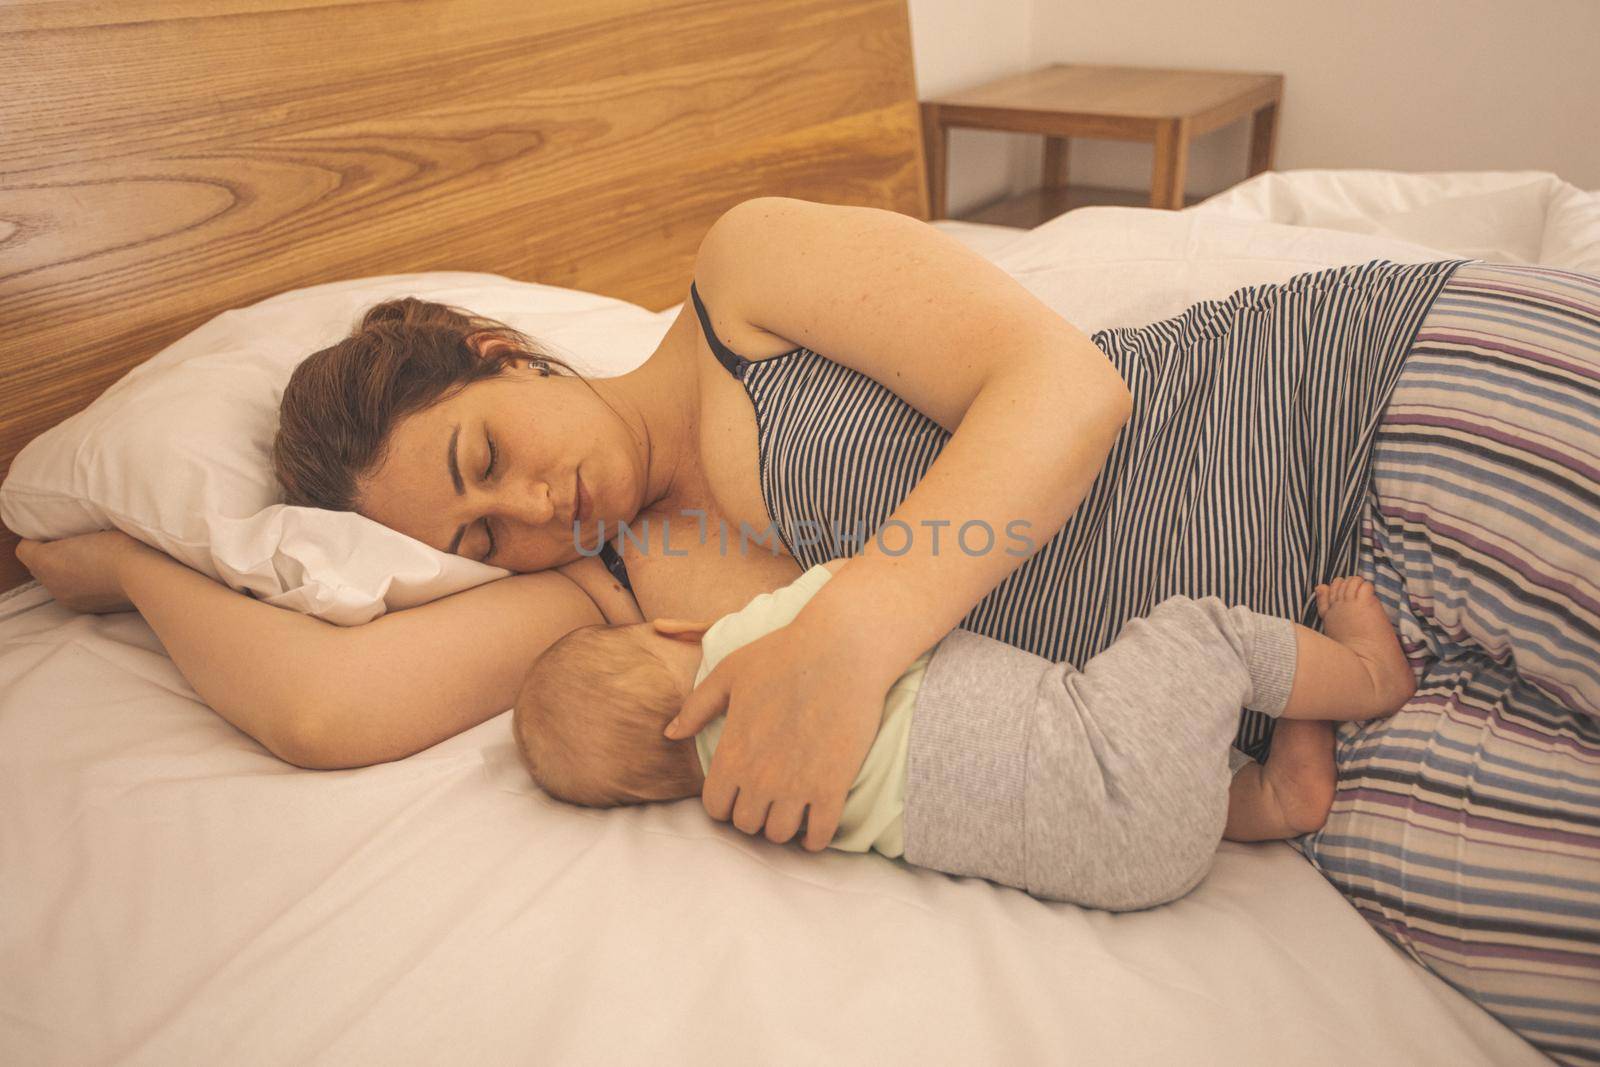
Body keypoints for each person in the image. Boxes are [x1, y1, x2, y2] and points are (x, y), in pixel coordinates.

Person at [16, 198, 1600, 1060]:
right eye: (477, 537)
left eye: (489, 455)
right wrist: (134, 570)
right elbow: (324, 711)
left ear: (508, 352)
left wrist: (849, 636)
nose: (530, 514)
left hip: (1364, 414)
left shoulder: (741, 280)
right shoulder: (619, 593)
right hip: (1291, 688)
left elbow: (1070, 389)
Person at [514, 563, 1412, 911]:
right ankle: (1368, 673)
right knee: (1198, 630)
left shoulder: (747, 805)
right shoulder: (750, 644)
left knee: (1175, 778)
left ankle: (1277, 796)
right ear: (670, 633)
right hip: (1109, 765)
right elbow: (865, 586)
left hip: (1125, 871)